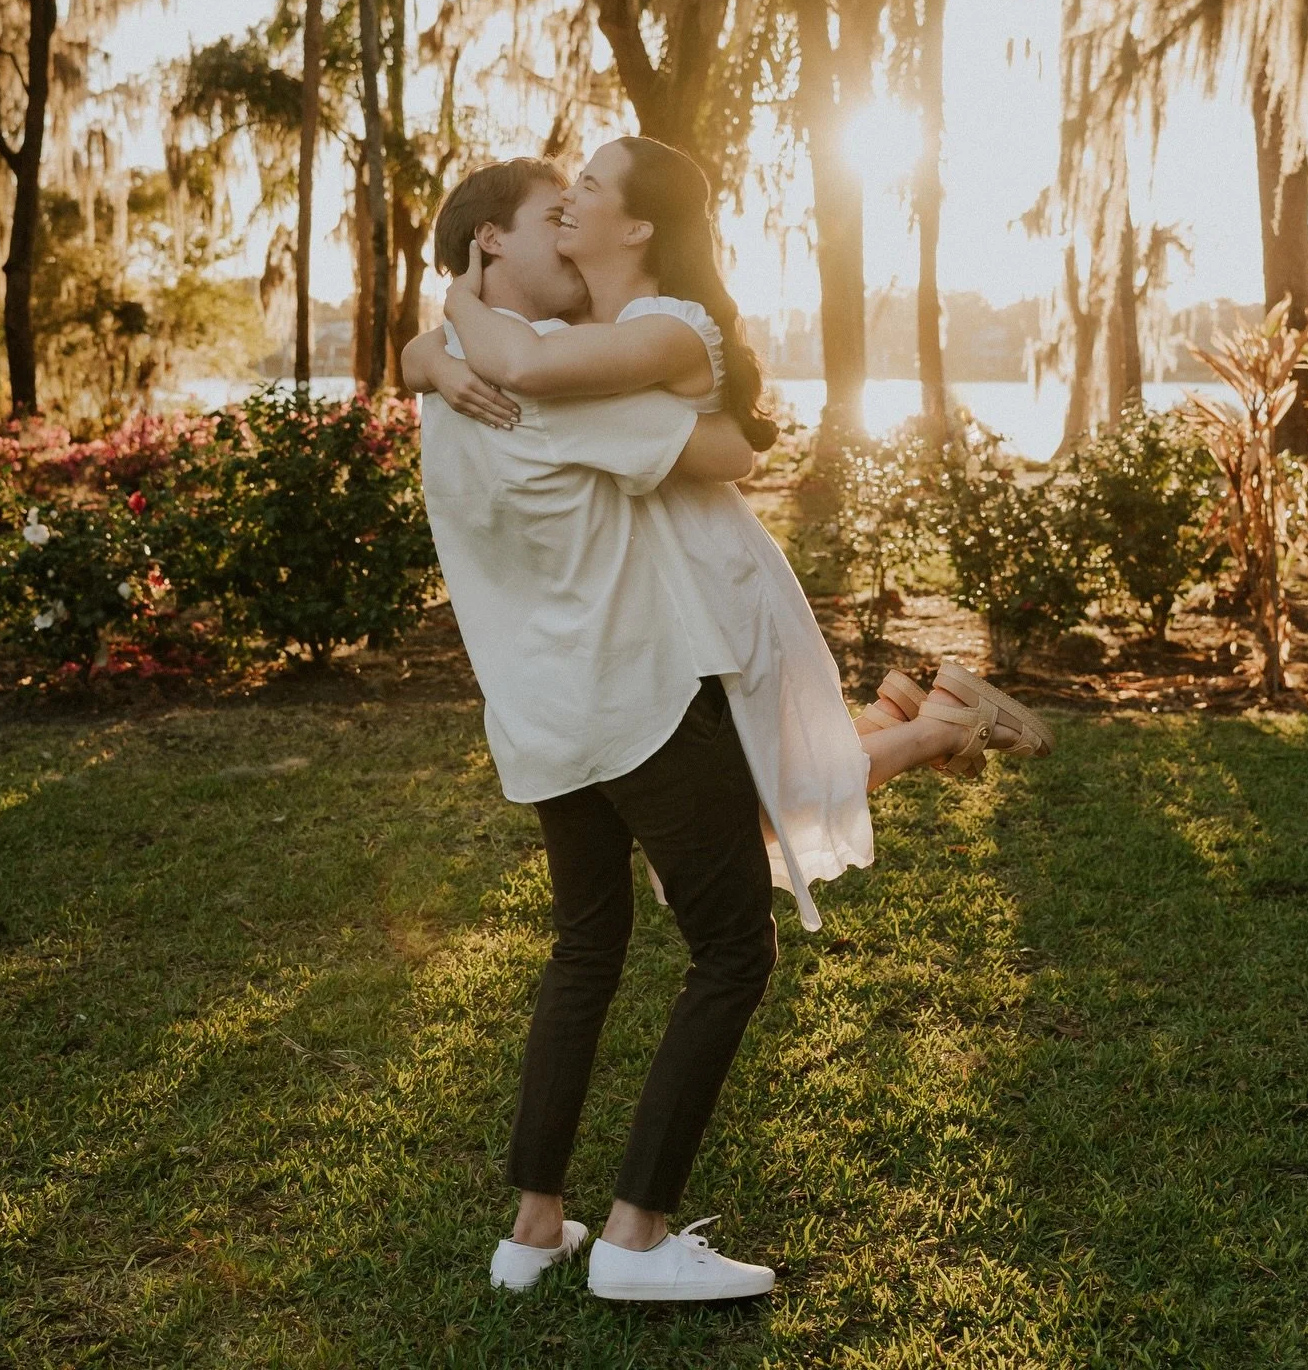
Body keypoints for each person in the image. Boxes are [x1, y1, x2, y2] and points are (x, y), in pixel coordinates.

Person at [403, 149, 1053, 1302]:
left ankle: (532, 1228)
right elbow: (728, 454)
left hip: (539, 721)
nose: (569, 235)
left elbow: (479, 360)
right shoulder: (542, 376)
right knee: (731, 950)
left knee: (586, 949)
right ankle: (636, 1240)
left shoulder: (443, 381)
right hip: (636, 704)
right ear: (493, 243)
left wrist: (437, 322)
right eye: (552, 219)